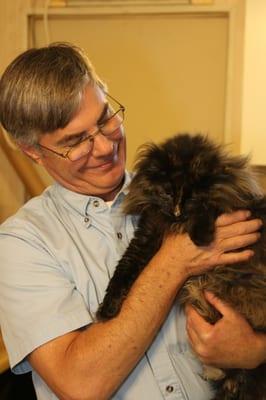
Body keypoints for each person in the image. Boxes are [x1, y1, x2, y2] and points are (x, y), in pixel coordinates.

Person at [0, 43, 265, 400]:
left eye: (105, 117)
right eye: (76, 141)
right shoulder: (21, 244)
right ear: (33, 151)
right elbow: (81, 385)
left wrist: (256, 350)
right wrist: (174, 262)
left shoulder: (190, 189)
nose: (105, 147)